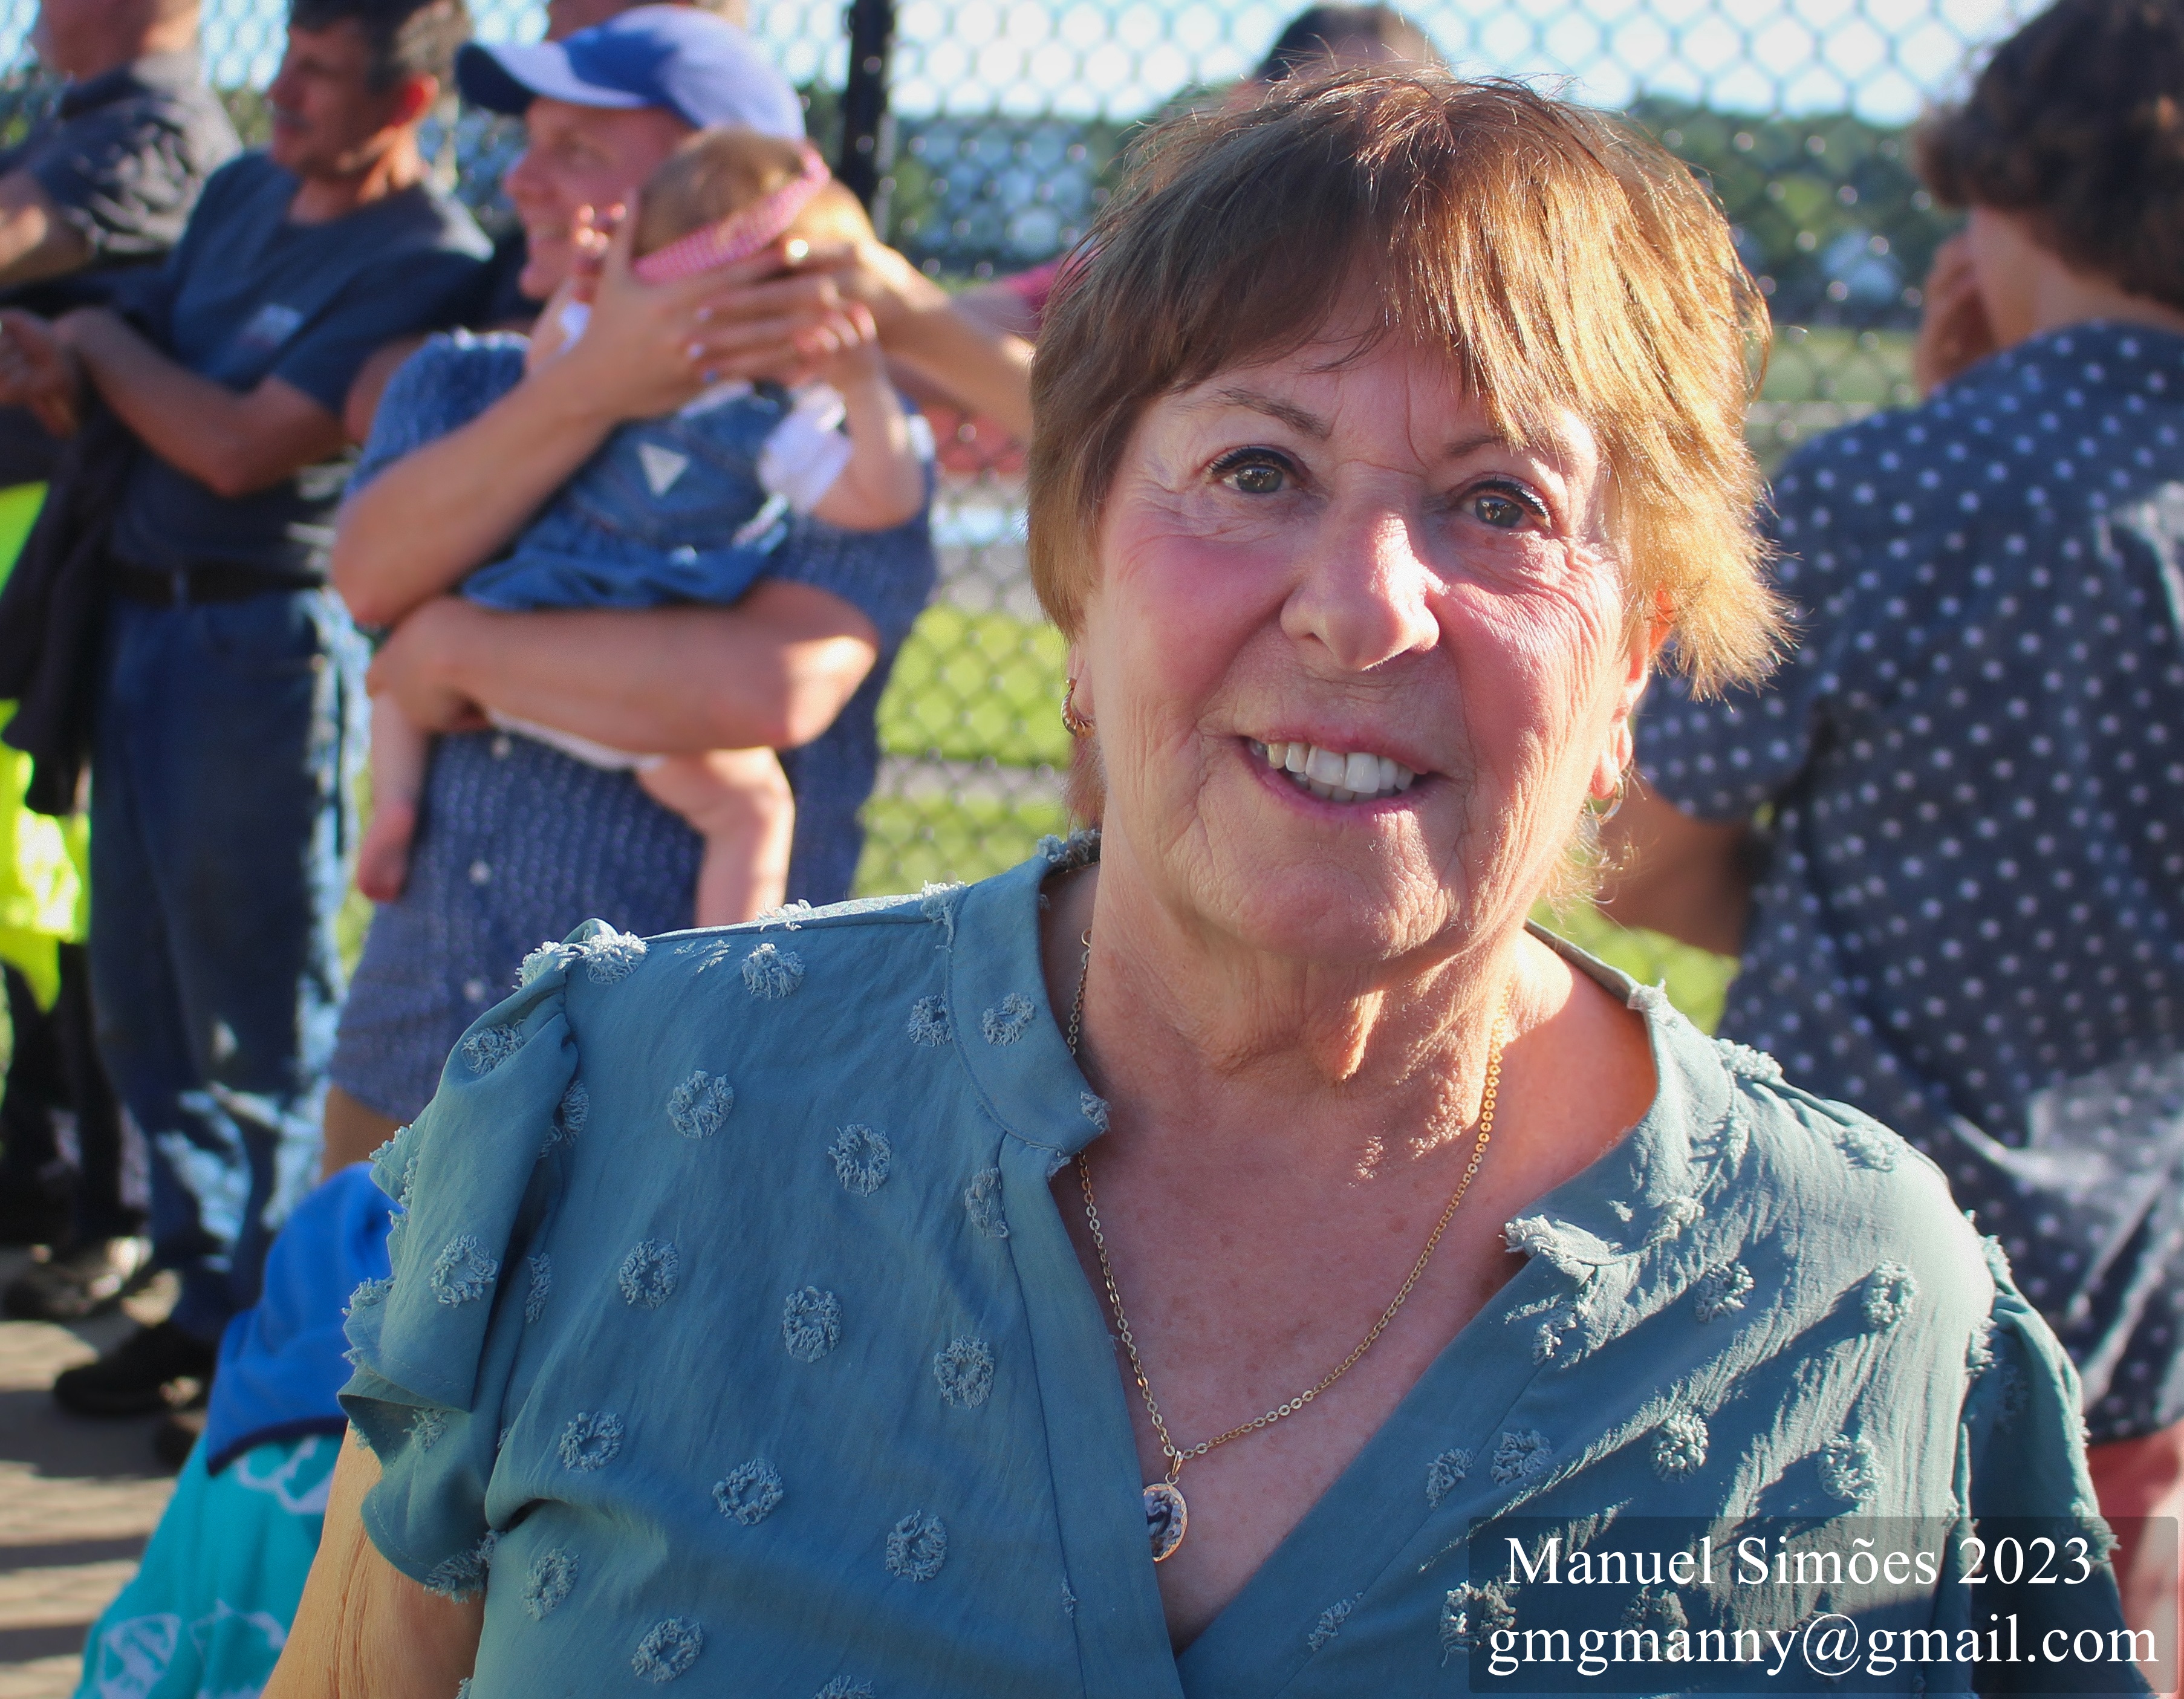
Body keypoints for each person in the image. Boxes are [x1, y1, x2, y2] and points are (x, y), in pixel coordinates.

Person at [267, 76, 2127, 1694]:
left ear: (1633, 657)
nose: (1361, 605)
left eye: (1499, 502)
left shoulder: (1858, 1316)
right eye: (1254, 466)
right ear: (1079, 578)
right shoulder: (613, 1124)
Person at [1602, 0, 2184, 1648]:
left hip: (1820, 1275)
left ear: (2004, 197)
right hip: (2143, 1300)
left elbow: (1638, 852)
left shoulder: (1886, 488)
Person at [315, 5, 939, 1175]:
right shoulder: (463, 381)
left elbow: (764, 689)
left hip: (669, 1097)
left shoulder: (829, 424)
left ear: (724, 202)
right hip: (416, 1037)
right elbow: (369, 572)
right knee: (348, 1285)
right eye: (530, 143)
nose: (524, 181)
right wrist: (596, 382)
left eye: (580, 151)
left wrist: (450, 648)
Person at [0, 0, 490, 1434]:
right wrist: (75, 366)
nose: (278, 94)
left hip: (258, 648)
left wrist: (98, 343)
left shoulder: (423, 259)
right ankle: (200, 1294)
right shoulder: (239, 196)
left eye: (319, 75)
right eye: (282, 59)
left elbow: (237, 447)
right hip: (135, 620)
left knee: (254, 1016)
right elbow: (143, 380)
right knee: (139, 994)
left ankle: (278, 1346)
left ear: (405, 105)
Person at [357, 127, 928, 927]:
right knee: (753, 809)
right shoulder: (770, 428)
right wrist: (863, 385)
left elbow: (546, 359)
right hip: (632, 663)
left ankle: (394, 802)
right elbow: (883, 497)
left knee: (397, 675)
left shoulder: (603, 365)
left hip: (520, 600)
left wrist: (588, 293)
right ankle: (718, 965)